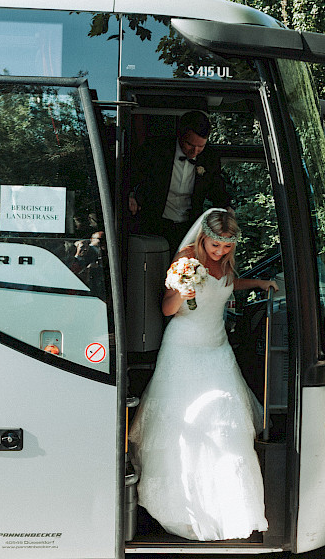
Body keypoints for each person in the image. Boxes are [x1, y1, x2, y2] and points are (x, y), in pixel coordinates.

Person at [128, 208, 277, 541]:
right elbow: (167, 308)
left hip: (217, 348)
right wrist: (183, 290)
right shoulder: (184, 261)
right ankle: (185, 512)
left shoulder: (224, 264)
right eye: (215, 246)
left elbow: (227, 285)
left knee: (228, 424)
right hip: (184, 348)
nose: (220, 252)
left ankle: (232, 510)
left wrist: (258, 282)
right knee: (188, 426)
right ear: (203, 238)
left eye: (226, 248)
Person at [129, 111, 231, 254]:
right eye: (190, 144)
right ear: (180, 135)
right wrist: (131, 195)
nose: (195, 151)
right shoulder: (156, 149)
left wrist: (226, 210)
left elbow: (217, 190)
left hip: (188, 227)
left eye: (200, 146)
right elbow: (132, 176)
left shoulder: (210, 158)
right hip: (153, 222)